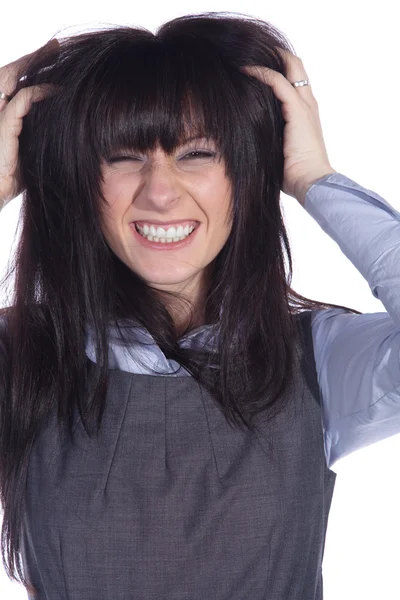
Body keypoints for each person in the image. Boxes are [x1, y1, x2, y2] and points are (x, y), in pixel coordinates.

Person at [0, 11, 399, 600]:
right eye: (123, 155)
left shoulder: (316, 362)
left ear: (248, 171)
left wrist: (314, 176)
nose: (160, 193)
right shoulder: (23, 356)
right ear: (79, 178)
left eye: (198, 153)